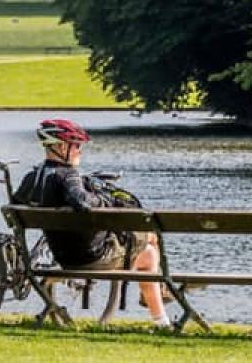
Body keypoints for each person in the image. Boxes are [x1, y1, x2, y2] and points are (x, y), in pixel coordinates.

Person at [12, 119, 172, 329]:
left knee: (147, 244)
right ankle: (161, 317)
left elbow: (16, 202)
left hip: (62, 258)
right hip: (90, 259)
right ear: (61, 147)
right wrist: (106, 200)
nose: (80, 151)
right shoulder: (68, 175)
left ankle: (157, 297)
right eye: (76, 145)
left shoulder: (34, 176)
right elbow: (81, 201)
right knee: (150, 248)